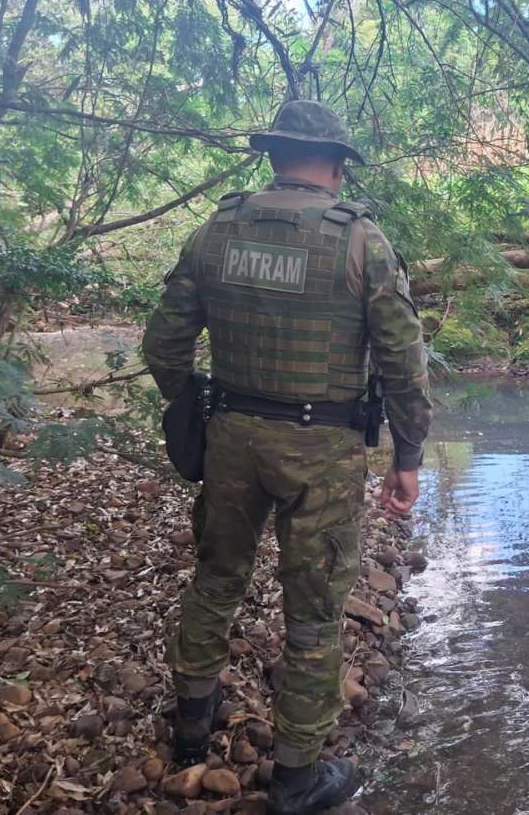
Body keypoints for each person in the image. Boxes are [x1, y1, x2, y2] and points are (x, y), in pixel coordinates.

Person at [141, 99, 432, 815]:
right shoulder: (359, 239)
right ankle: (298, 778)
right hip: (321, 450)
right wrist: (409, 450)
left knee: (216, 576)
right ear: (335, 165)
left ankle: (190, 729)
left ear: (274, 155)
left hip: (233, 438)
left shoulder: (217, 230)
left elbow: (164, 344)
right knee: (313, 612)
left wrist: (190, 408)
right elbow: (401, 358)